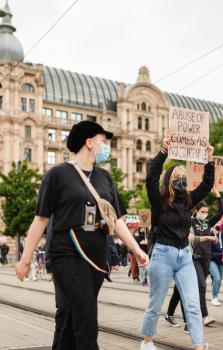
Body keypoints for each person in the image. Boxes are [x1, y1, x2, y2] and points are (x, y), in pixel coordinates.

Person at [15, 120, 148, 350]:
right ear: (89, 142)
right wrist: (25, 259)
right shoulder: (57, 175)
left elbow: (116, 220)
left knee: (70, 316)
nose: (106, 144)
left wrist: (136, 250)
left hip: (96, 258)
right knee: (86, 317)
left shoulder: (105, 178)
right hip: (67, 254)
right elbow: (41, 219)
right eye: (103, 140)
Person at [140, 136, 214, 350]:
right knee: (156, 303)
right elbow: (151, 177)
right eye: (177, 176)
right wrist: (163, 152)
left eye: (184, 176)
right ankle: (147, 341)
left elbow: (207, 184)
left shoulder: (189, 199)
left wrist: (208, 159)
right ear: (169, 180)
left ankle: (199, 345)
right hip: (163, 254)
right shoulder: (159, 199)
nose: (181, 179)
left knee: (192, 304)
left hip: (184, 257)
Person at [165, 191, 223, 330]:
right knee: (199, 287)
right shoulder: (190, 222)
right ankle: (202, 316)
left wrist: (218, 196)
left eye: (206, 211)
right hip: (193, 258)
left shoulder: (208, 222)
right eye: (202, 211)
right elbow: (190, 238)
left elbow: (221, 212)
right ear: (196, 211)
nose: (205, 213)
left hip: (206, 260)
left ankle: (169, 314)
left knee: (180, 290)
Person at [210, 223, 223, 306]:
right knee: (217, 278)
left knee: (219, 280)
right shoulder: (209, 233)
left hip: (222, 259)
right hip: (211, 258)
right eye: (217, 222)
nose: (219, 224)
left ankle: (215, 294)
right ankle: (214, 297)